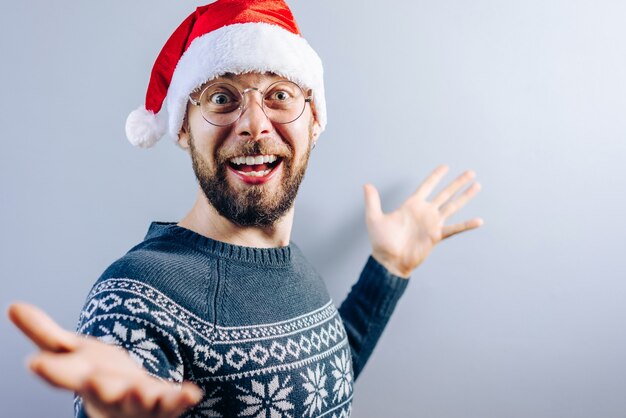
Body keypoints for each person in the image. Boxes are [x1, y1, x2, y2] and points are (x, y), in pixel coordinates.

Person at [8, 1, 484, 417]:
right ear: (182, 128)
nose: (255, 125)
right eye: (221, 98)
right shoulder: (136, 300)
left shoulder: (291, 263)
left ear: (314, 120)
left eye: (280, 95)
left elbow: (315, 393)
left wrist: (389, 269)